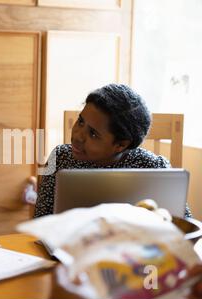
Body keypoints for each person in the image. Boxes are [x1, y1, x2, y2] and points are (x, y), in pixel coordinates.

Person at [35, 83, 191, 218]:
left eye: (93, 133)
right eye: (81, 121)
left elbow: (184, 224)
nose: (77, 136)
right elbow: (40, 221)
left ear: (120, 145)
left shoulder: (154, 168)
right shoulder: (60, 157)